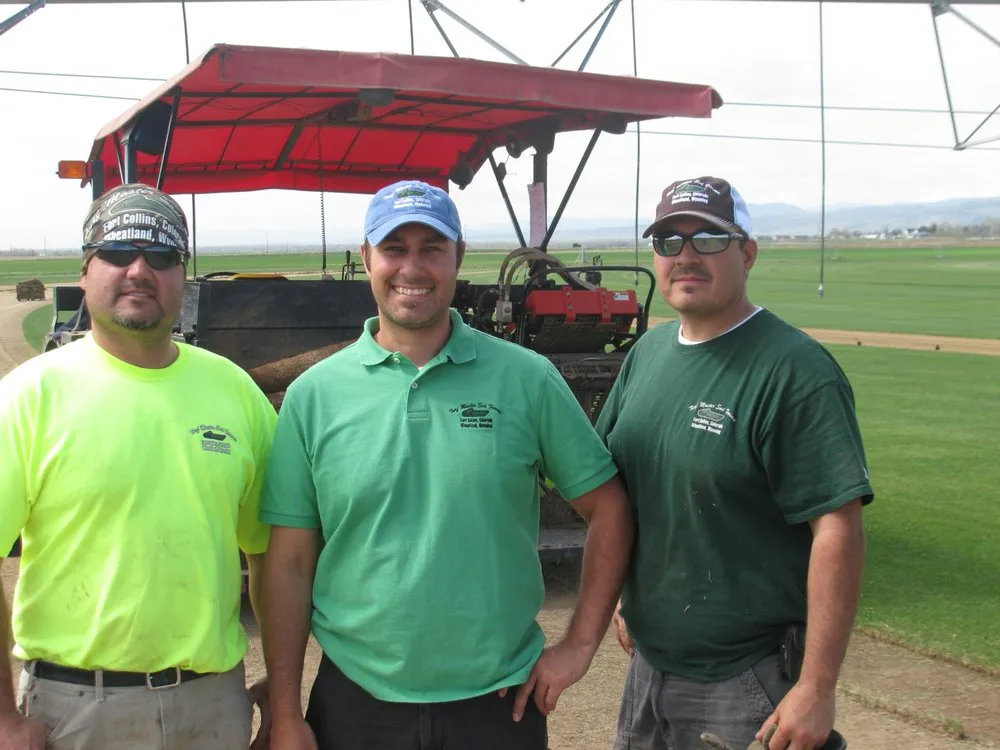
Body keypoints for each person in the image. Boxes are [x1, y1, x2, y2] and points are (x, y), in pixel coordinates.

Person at [260, 179, 634, 750]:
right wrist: (286, 712)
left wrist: (580, 646)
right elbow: (288, 562)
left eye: (432, 249)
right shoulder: (314, 396)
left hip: (498, 705)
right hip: (358, 703)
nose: (413, 267)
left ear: (458, 257)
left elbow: (607, 508)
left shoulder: (526, 378)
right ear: (367, 259)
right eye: (395, 249)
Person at [596, 176, 873, 750]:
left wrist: (818, 687)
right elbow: (623, 494)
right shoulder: (647, 353)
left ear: (747, 253)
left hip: (748, 678)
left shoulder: (793, 370)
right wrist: (629, 595)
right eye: (669, 242)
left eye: (709, 239)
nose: (686, 256)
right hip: (650, 665)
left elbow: (837, 527)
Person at [0, 184, 276, 750]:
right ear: (85, 271)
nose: (140, 270)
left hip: (213, 707)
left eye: (162, 256)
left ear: (183, 275)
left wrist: (285, 691)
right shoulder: (30, 396)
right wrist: (4, 719)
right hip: (76, 712)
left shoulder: (236, 393)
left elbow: (271, 554)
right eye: (120, 253)